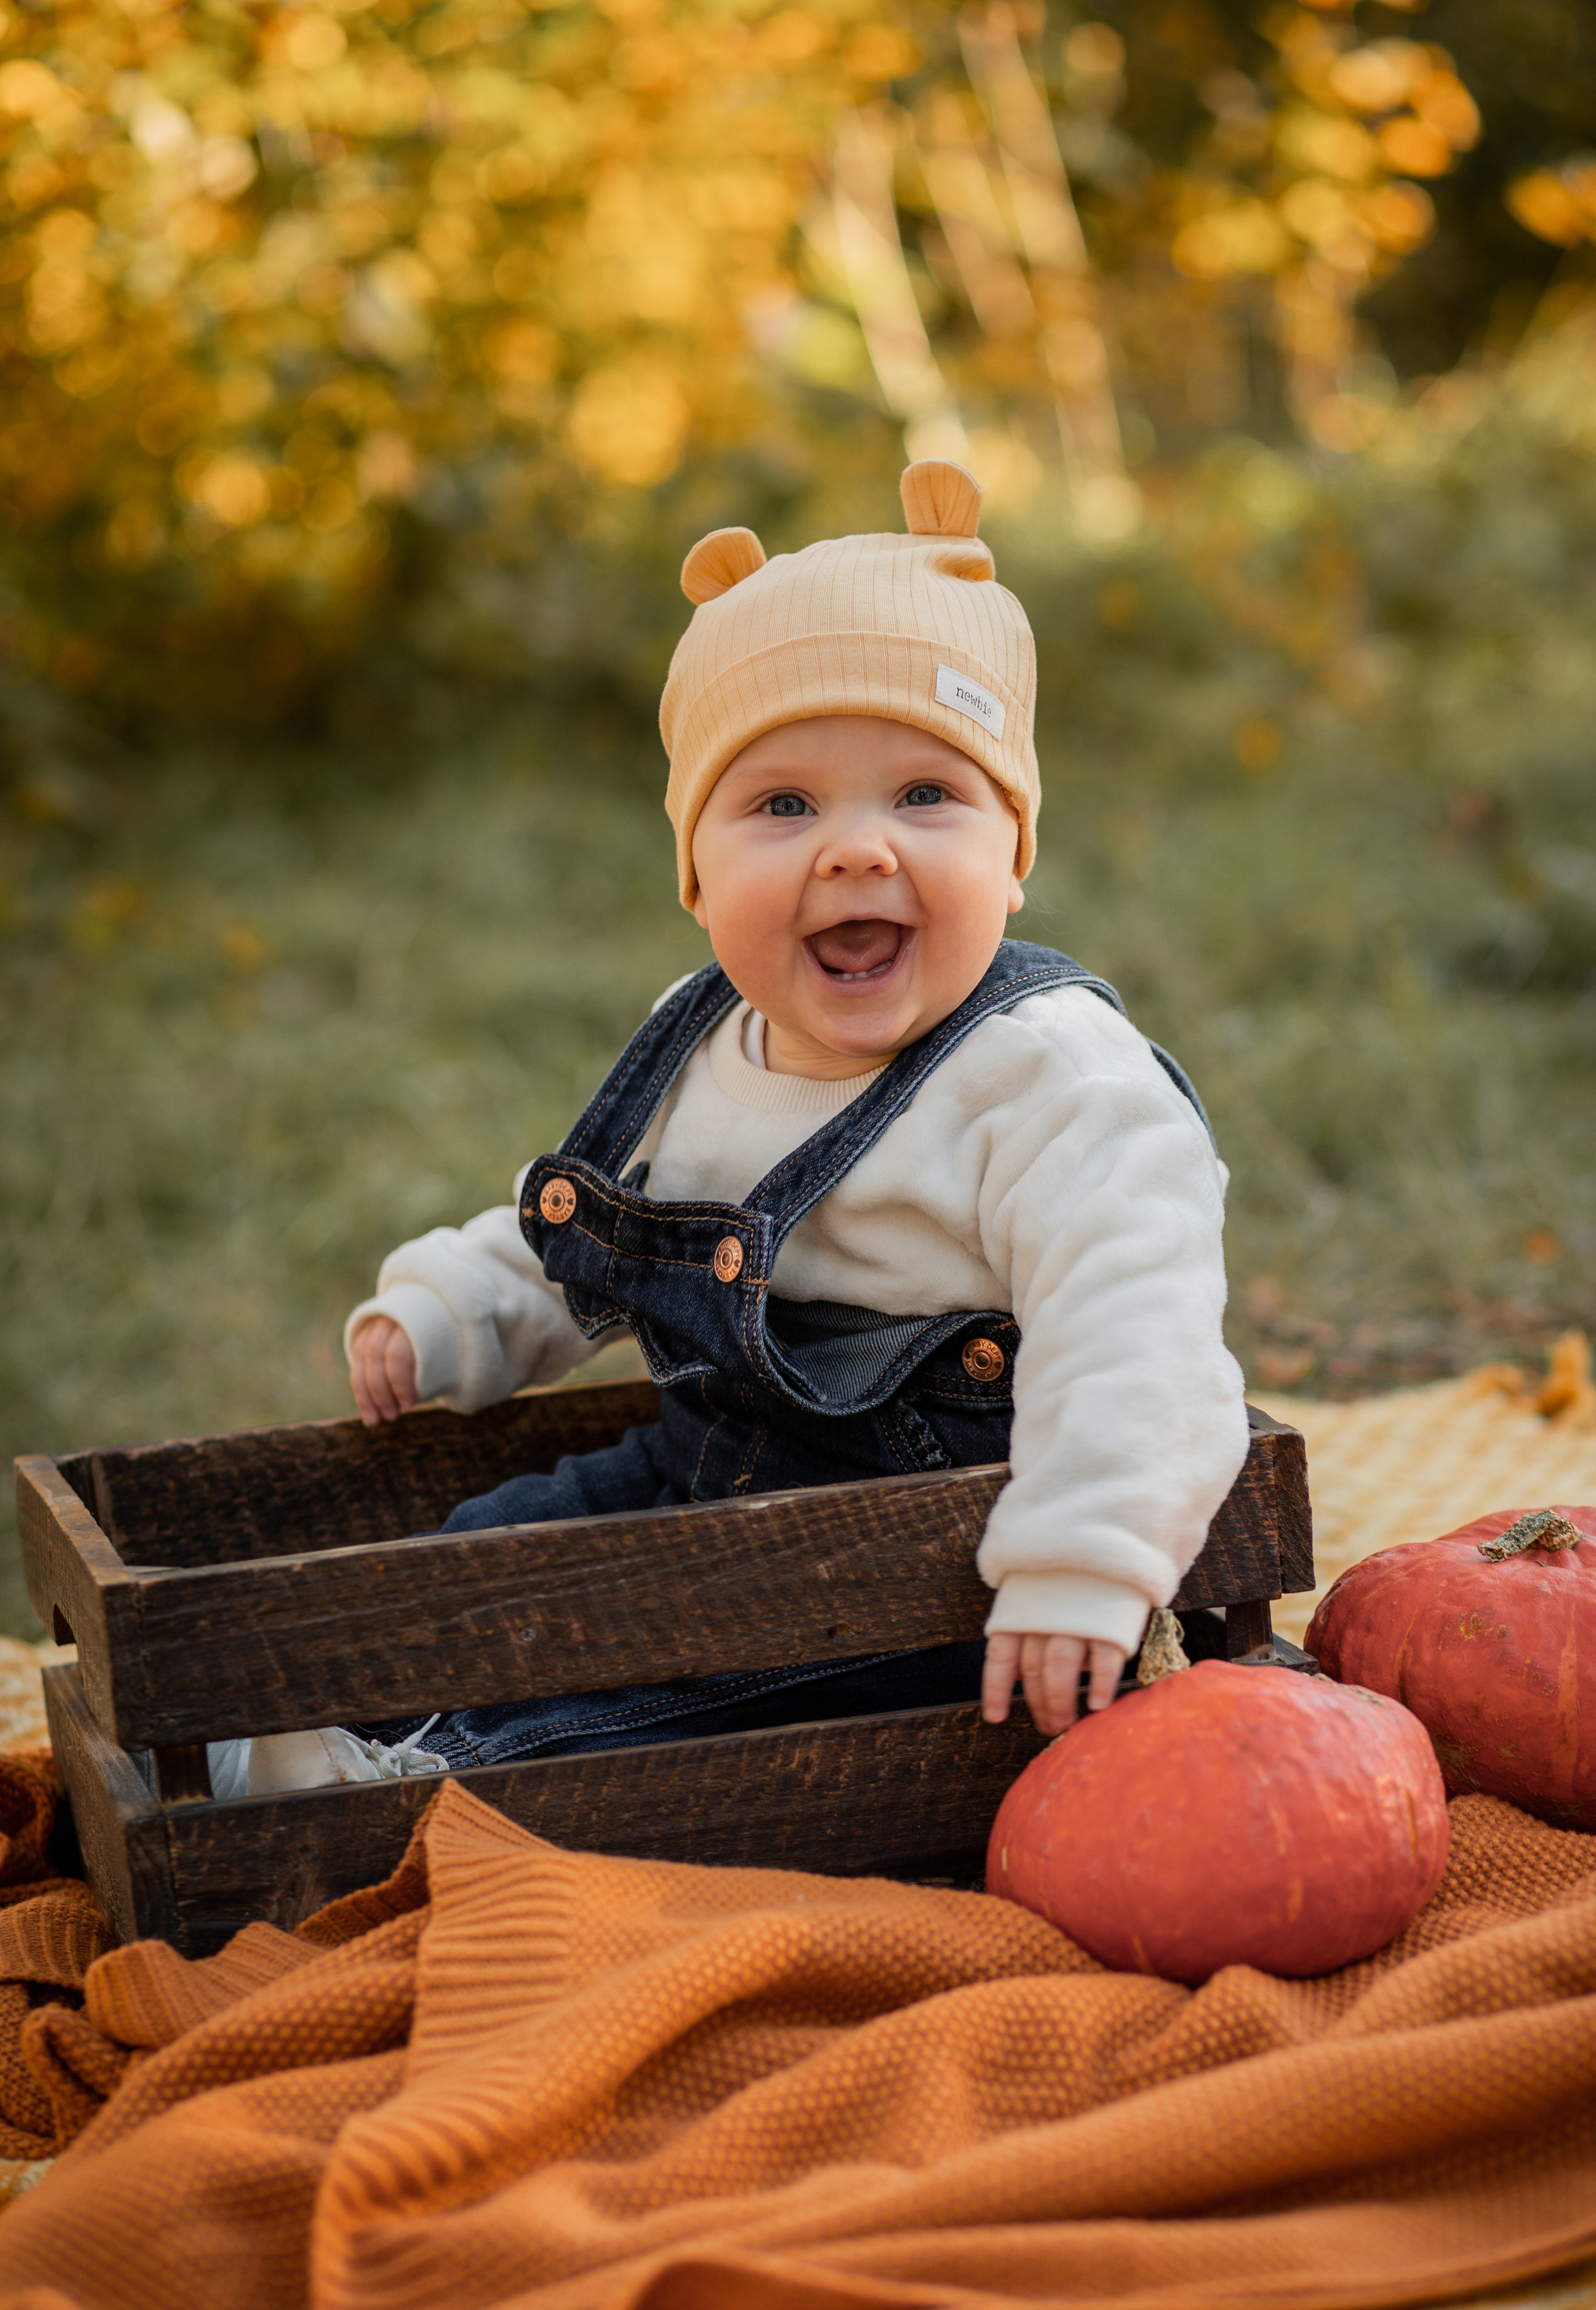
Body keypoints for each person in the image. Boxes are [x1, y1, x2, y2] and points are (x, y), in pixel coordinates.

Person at [217, 460, 1248, 1798]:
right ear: (698, 877)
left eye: (925, 795)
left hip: (922, 1557)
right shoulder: (697, 1039)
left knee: (686, 1696)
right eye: (782, 805)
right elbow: (597, 1229)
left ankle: (405, 1787)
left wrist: (1080, 1558)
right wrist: (453, 1311)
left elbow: (1137, 1329)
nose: (856, 850)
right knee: (489, 1550)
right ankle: (308, 1706)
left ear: (1012, 846)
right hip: (695, 1468)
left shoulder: (1049, 1079)